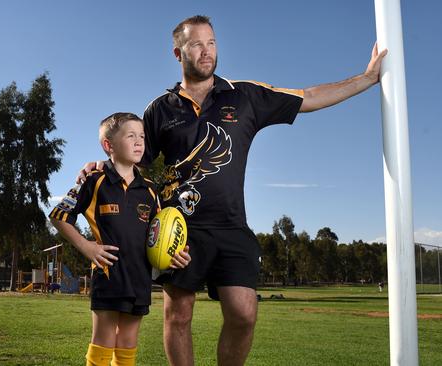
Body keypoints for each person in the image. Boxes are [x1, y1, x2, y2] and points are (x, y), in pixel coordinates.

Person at [77, 15, 387, 366]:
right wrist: (99, 166)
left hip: (231, 225)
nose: (206, 51)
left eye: (211, 43)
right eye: (196, 44)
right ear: (178, 53)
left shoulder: (244, 96)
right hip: (180, 229)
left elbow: (308, 97)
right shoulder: (160, 110)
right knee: (178, 314)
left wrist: (366, 79)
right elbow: (132, 161)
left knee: (243, 313)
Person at [50, 112, 191, 366]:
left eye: (142, 137)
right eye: (130, 136)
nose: (139, 142)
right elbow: (58, 215)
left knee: (127, 344)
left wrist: (174, 253)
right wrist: (87, 247)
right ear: (108, 145)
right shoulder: (93, 180)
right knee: (103, 342)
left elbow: (159, 236)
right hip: (108, 275)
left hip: (139, 279)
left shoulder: (150, 189)